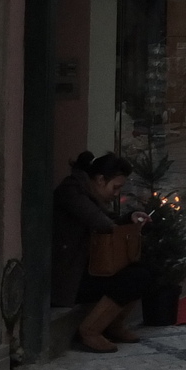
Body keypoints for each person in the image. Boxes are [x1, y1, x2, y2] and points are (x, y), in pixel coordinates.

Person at [53, 151, 153, 353]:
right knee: (134, 277)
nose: (117, 193)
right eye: (115, 187)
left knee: (143, 272)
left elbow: (108, 221)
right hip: (68, 277)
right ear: (100, 180)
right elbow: (100, 222)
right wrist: (124, 224)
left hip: (87, 269)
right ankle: (90, 331)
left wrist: (130, 219)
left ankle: (113, 325)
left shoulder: (87, 194)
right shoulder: (71, 192)